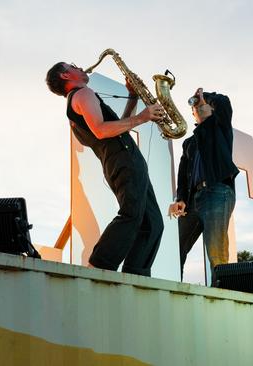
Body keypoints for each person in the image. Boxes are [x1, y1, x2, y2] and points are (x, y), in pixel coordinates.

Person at [45, 61, 164, 276]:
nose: (80, 67)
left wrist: (133, 98)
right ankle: (98, 266)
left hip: (122, 158)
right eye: (73, 66)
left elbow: (116, 127)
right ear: (65, 75)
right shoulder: (82, 94)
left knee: (153, 223)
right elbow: (101, 130)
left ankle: (136, 275)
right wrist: (142, 117)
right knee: (132, 214)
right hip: (123, 158)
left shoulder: (79, 99)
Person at [168, 88, 239, 281]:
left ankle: (222, 294)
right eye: (195, 107)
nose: (198, 108)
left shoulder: (220, 126)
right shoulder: (189, 143)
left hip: (217, 192)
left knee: (216, 251)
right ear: (192, 114)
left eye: (203, 106)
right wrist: (180, 198)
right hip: (194, 199)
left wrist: (204, 96)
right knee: (176, 247)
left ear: (211, 109)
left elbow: (224, 102)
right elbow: (183, 174)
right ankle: (175, 288)